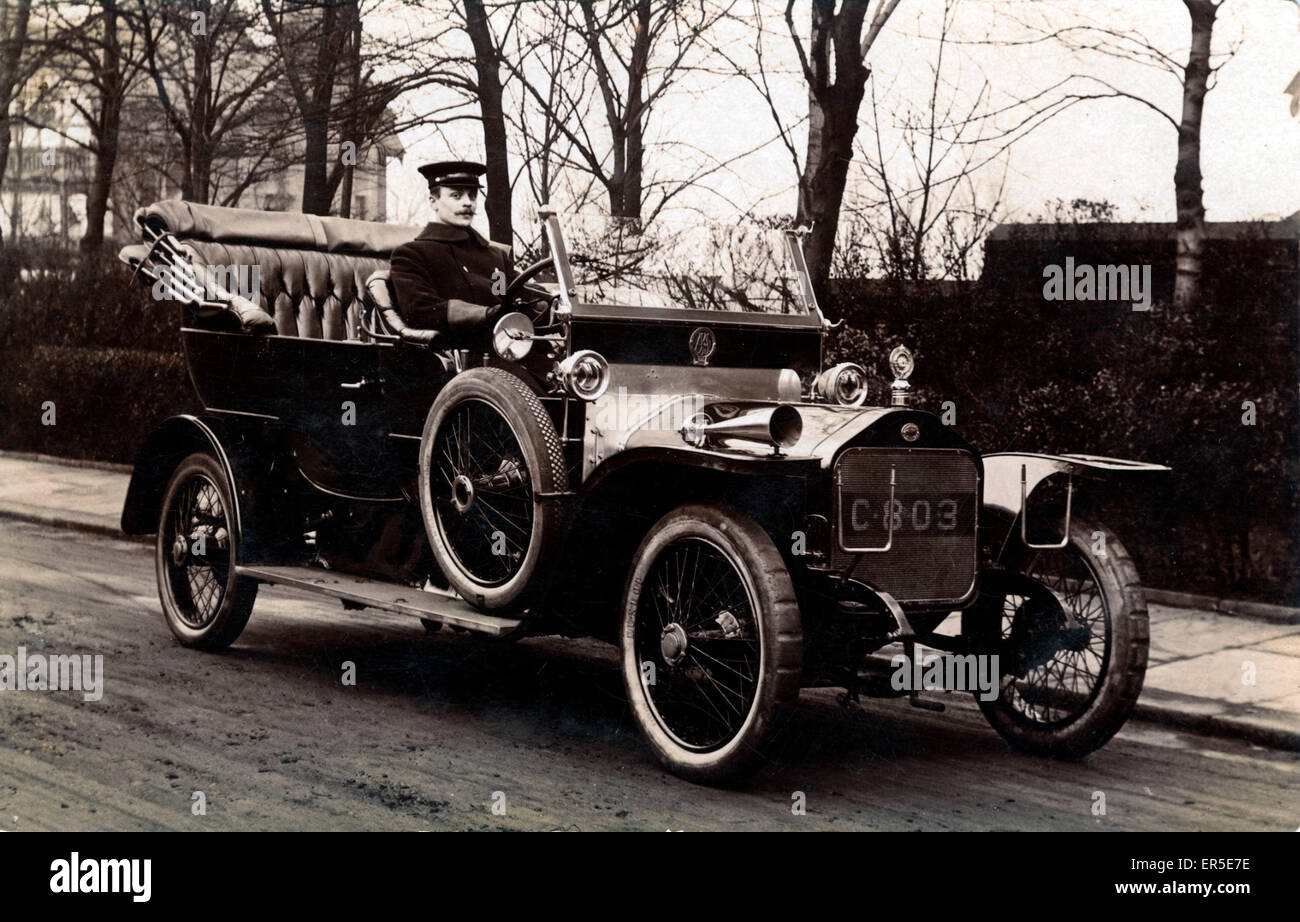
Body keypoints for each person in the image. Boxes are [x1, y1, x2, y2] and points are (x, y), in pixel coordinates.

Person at [389, 159, 525, 347]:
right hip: (458, 358)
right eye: (456, 196)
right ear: (433, 202)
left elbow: (510, 294)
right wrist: (486, 314)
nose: (468, 203)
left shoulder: (495, 256)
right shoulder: (413, 255)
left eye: (472, 196)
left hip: (511, 348)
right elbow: (421, 312)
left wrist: (552, 302)